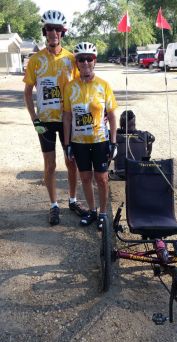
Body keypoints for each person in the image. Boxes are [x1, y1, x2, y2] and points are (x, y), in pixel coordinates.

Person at [23, 10, 87, 226]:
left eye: (57, 29)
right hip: (46, 120)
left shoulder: (71, 59)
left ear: (62, 33)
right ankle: (53, 205)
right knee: (50, 165)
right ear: (45, 32)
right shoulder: (35, 60)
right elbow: (27, 91)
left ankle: (72, 199)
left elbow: (81, 86)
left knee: (72, 161)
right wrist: (34, 119)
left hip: (67, 118)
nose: (53, 33)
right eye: (49, 29)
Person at [63, 42, 118, 230]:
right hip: (79, 142)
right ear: (76, 62)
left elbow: (111, 114)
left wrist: (113, 142)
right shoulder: (70, 87)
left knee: (101, 179)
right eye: (81, 59)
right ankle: (92, 211)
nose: (85, 62)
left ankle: (103, 213)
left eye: (89, 58)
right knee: (85, 178)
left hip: (100, 140)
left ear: (95, 61)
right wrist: (67, 144)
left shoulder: (103, 85)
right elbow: (68, 116)